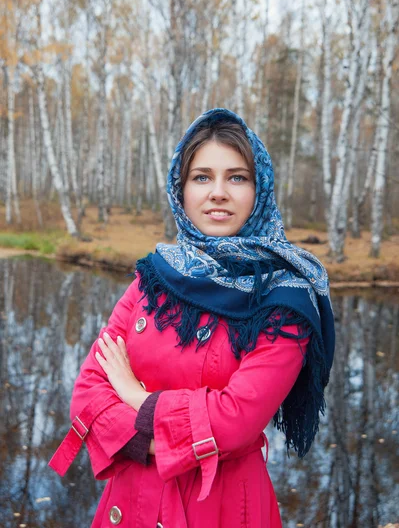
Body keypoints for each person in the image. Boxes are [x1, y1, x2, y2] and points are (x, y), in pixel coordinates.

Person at [49, 108, 335, 528]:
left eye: (236, 177)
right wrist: (172, 430)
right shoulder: (152, 278)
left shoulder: (284, 300)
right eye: (202, 177)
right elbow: (89, 394)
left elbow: (235, 422)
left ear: (261, 190)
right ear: (180, 190)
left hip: (220, 507)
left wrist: (135, 396)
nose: (218, 192)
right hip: (131, 504)